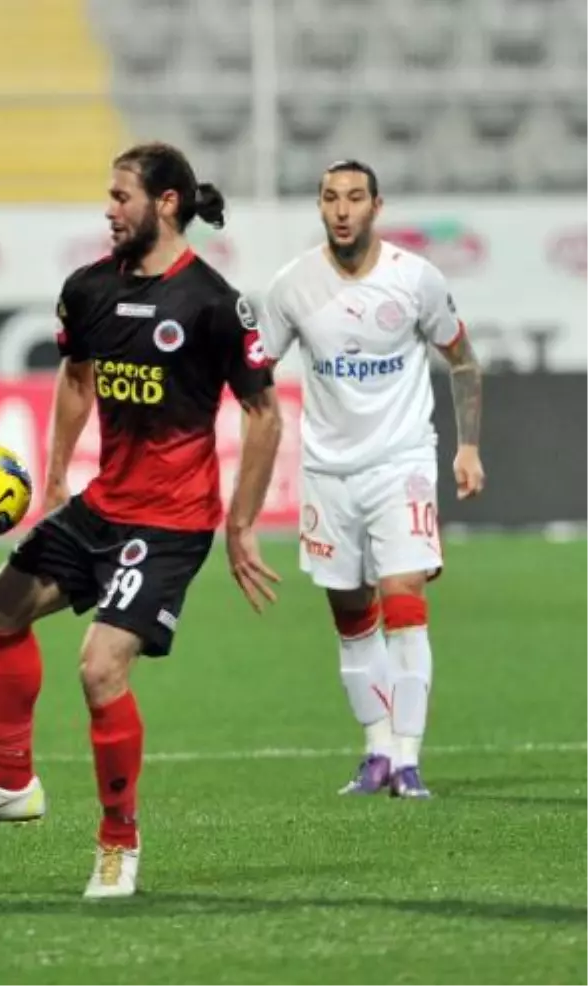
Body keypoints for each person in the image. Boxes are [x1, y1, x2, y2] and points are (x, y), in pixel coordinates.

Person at [0, 143, 284, 899]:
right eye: (109, 196)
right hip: (102, 507)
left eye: (122, 197)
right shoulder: (87, 289)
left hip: (174, 522)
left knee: (98, 667)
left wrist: (242, 524)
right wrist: (56, 473)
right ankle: (12, 783)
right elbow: (77, 376)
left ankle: (119, 844)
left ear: (167, 204)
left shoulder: (215, 304)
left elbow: (262, 415)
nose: (109, 210)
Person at [259, 160, 485, 799]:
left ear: (376, 207)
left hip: (402, 462)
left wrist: (467, 447)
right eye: (331, 197)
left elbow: (463, 362)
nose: (341, 209)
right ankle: (377, 750)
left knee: (404, 598)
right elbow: (256, 368)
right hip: (328, 470)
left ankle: (410, 759)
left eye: (354, 197)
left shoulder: (416, 279)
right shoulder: (291, 287)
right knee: (351, 614)